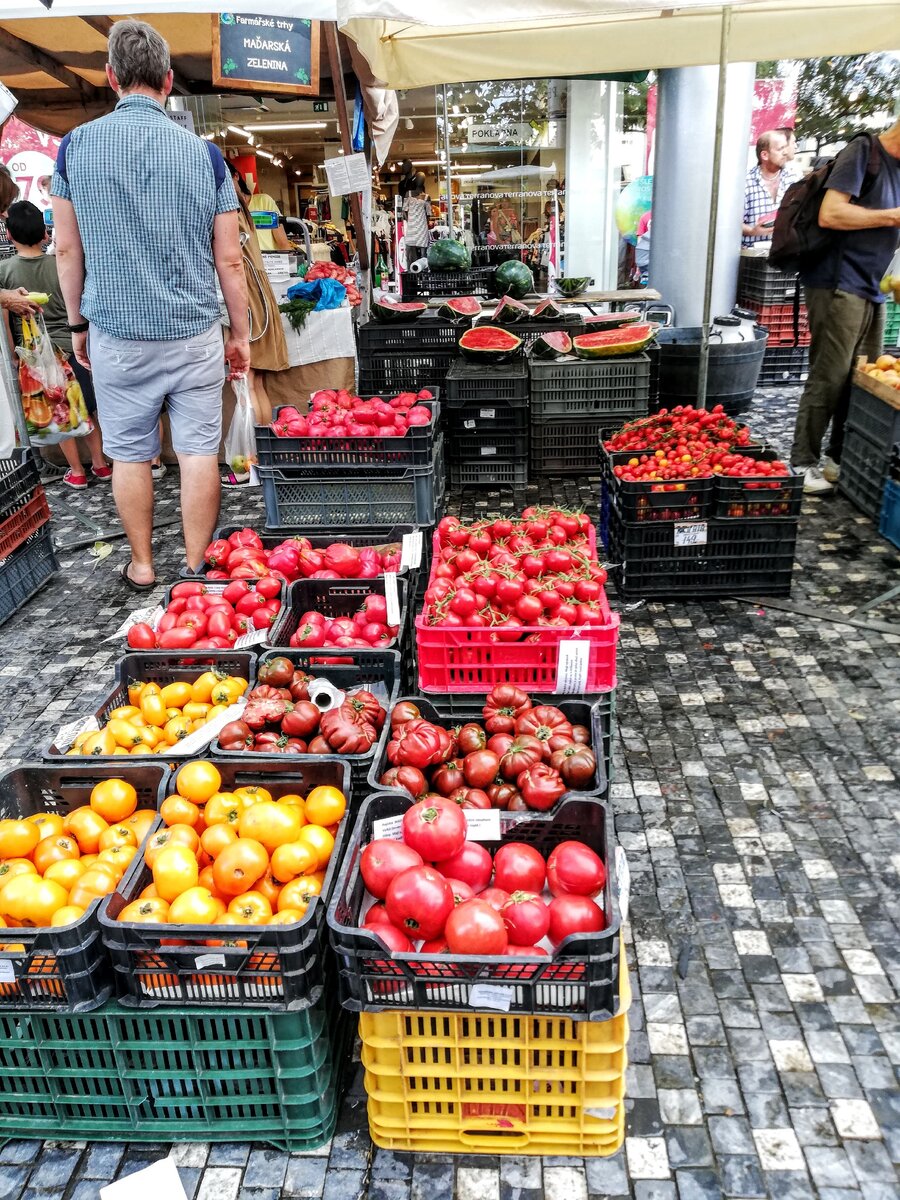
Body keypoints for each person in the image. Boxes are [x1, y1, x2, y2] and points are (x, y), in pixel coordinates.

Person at [51, 19, 250, 589]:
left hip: (117, 332)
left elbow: (67, 248)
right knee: (195, 453)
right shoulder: (204, 155)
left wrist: (77, 324)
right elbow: (230, 261)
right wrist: (239, 334)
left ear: (111, 77)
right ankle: (194, 566)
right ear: (168, 80)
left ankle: (141, 563)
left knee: (131, 454)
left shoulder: (76, 148)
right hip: (191, 334)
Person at [789, 120, 900, 494]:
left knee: (864, 379)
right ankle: (802, 463)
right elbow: (831, 213)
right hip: (839, 282)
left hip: (874, 286)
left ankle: (839, 458)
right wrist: (893, 215)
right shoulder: (864, 152)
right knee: (830, 375)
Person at [0, 201, 111, 488]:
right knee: (84, 409)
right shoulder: (61, 264)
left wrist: (14, 355)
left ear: (9, 235)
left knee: (57, 416)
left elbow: (4, 321)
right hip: (72, 348)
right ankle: (100, 465)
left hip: (35, 356)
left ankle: (76, 471)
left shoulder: (5, 272)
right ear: (44, 233)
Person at [223, 161, 289, 486]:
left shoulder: (227, 215)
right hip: (261, 301)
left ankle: (252, 464)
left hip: (247, 304)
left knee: (248, 387)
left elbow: (230, 263)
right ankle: (263, 458)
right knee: (256, 384)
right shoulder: (242, 209)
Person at [742, 130, 793, 246]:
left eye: (786, 147)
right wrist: (751, 231)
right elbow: (731, 223)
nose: (785, 153)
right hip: (752, 258)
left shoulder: (792, 178)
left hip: (782, 254)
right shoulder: (746, 181)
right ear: (764, 155)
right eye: (780, 149)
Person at [248, 189, 293, 253]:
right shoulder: (232, 211)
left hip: (271, 259)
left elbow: (283, 243)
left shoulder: (264, 201)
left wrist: (289, 260)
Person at [403, 173, 430, 264]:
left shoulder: (426, 197)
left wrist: (425, 224)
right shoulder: (408, 194)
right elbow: (404, 210)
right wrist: (408, 221)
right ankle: (410, 270)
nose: (420, 181)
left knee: (423, 251)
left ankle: (423, 271)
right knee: (409, 248)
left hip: (422, 226)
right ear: (415, 180)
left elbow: (428, 213)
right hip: (411, 225)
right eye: (418, 178)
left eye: (422, 179)